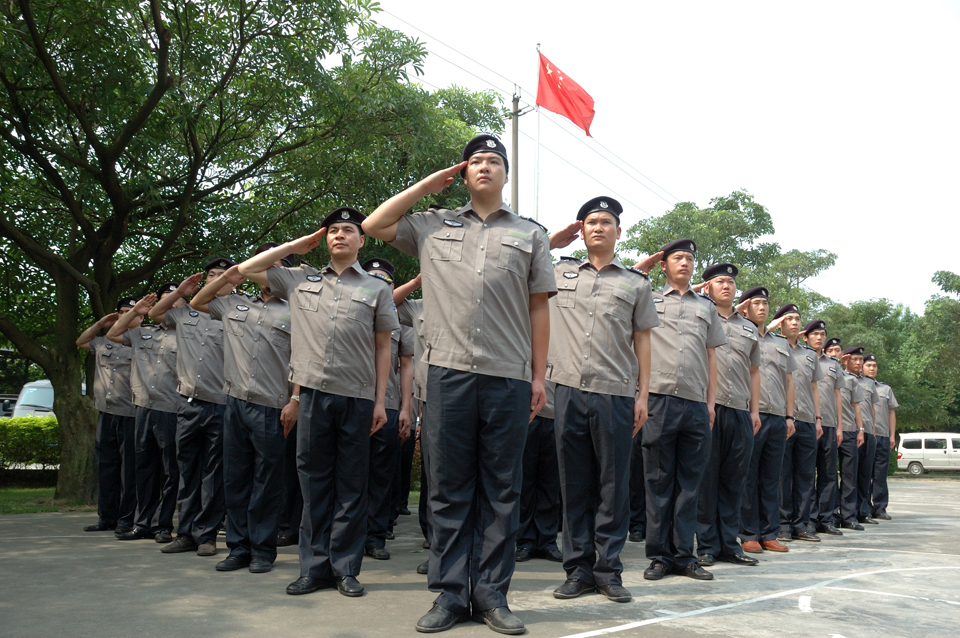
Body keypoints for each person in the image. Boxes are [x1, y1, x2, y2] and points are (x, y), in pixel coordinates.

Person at [363, 134, 556, 635]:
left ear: (506, 175)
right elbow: (374, 225)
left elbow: (540, 308)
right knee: (447, 489)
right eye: (475, 162)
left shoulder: (531, 235)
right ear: (464, 173)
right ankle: (450, 596)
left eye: (494, 161)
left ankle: (492, 595)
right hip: (446, 373)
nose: (485, 168)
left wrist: (539, 376)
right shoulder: (431, 225)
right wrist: (429, 185)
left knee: (500, 489)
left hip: (508, 375)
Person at [239, 208, 398, 598]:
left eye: (348, 230)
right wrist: (296, 245)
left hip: (358, 397)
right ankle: (313, 569)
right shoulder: (298, 279)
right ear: (325, 239)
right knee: (313, 484)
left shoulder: (376, 289)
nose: (340, 235)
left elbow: (383, 347)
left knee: (350, 485)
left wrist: (380, 402)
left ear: (362, 241)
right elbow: (246, 270)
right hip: (311, 395)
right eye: (333, 231)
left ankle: (345, 569)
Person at [546, 197, 657, 602]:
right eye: (591, 221)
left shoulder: (635, 283)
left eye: (606, 222)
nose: (598, 227)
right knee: (573, 485)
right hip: (568, 389)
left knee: (613, 487)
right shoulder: (558, 271)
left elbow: (643, 340)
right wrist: (553, 241)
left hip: (615, 393)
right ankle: (578, 570)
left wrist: (643, 393)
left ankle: (608, 571)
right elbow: (523, 257)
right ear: (582, 228)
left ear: (618, 231)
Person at [191, 243, 300, 573]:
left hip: (272, 406)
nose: (267, 271)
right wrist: (230, 274)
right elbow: (198, 301)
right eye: (261, 264)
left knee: (267, 483)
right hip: (234, 403)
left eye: (275, 265)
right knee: (235, 479)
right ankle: (237, 548)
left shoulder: (297, 309)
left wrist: (295, 399)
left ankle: (262, 551)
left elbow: (304, 357)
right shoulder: (234, 304)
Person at [642, 239, 726, 582]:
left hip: (694, 403)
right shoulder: (648, 297)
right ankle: (659, 557)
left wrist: (710, 403)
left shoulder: (706, 307)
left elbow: (711, 356)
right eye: (678, 257)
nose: (685, 263)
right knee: (658, 482)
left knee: (690, 485)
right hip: (658, 399)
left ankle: (684, 555)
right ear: (664, 264)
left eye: (690, 258)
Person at [148, 260, 235, 557]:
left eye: (223, 276)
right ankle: (185, 533)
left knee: (213, 475)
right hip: (187, 404)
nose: (216, 279)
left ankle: (206, 535)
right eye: (211, 275)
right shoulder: (184, 314)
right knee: (187, 472)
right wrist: (180, 292)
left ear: (233, 282)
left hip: (221, 404)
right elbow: (155, 313)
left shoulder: (236, 315)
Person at [694, 263, 761, 568]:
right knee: (707, 480)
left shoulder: (748, 326)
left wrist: (755, 410)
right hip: (708, 407)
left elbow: (755, 371)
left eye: (731, 283)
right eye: (719, 282)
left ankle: (728, 544)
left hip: (740, 410)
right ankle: (706, 545)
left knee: (735, 481)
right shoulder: (699, 315)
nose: (727, 287)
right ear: (706, 286)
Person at [106, 285, 182, 543]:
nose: (169, 306)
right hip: (143, 408)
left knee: (171, 472)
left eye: (175, 301)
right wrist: (134, 312)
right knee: (144, 469)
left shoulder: (189, 334)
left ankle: (163, 525)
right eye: (163, 302)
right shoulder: (142, 334)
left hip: (172, 409)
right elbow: (114, 333)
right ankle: (143, 523)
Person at [361, 257, 414, 561]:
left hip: (390, 405)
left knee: (382, 476)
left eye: (385, 279)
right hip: (355, 400)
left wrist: (407, 409)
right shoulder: (353, 312)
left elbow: (405, 366)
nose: (379, 283)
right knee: (351, 474)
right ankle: (349, 534)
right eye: (372, 277)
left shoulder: (398, 320)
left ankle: (375, 536)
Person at [738, 289, 796, 555]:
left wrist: (789, 416)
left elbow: (790, 381)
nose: (761, 307)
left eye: (765, 303)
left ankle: (769, 533)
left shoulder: (781, 343)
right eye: (756, 303)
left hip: (777, 416)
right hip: (752, 413)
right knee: (748, 476)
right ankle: (748, 533)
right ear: (746, 307)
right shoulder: (741, 332)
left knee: (772, 477)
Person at [76, 297, 141, 534]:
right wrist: (100, 323)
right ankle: (106, 518)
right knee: (106, 468)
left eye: (131, 312)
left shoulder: (142, 341)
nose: (126, 316)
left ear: (140, 317)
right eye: (122, 312)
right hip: (106, 412)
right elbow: (81, 342)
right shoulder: (104, 342)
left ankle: (126, 520)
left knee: (129, 471)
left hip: (131, 414)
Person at [776, 305, 824, 543]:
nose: (794, 322)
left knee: (806, 476)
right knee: (783, 476)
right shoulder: (774, 345)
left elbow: (815, 388)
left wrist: (818, 419)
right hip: (782, 419)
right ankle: (782, 524)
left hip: (806, 421)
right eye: (789, 319)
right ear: (779, 323)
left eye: (797, 319)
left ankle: (802, 524)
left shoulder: (809, 355)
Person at [802, 327, 845, 536]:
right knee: (807, 474)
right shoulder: (799, 356)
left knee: (828, 474)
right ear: (806, 337)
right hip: (807, 422)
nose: (819, 338)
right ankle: (808, 519)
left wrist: (840, 427)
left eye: (822, 335)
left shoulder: (833, 365)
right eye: (815, 334)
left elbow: (838, 396)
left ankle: (826, 519)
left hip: (829, 425)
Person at [863, 355, 898, 520]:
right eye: (868, 365)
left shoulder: (885, 389)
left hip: (883, 436)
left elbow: (892, 412)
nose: (872, 368)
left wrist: (892, 435)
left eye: (874, 365)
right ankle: (864, 508)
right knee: (864, 473)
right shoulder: (857, 385)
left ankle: (880, 508)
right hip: (865, 435)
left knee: (880, 473)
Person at [836, 346, 867, 531]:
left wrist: (860, 429)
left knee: (849, 476)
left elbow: (857, 406)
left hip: (849, 431)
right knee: (829, 477)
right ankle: (830, 516)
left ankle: (848, 516)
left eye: (837, 351)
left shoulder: (851, 381)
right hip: (829, 429)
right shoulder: (825, 373)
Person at [852, 352, 881, 525]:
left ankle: (864, 511)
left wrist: (874, 430)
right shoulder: (846, 379)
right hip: (852, 430)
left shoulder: (869, 384)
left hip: (869, 432)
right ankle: (849, 512)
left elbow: (872, 408)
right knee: (851, 475)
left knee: (865, 475)